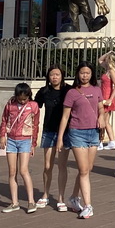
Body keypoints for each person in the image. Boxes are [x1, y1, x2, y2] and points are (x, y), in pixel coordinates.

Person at [56, 61, 102, 219]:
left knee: (87, 169)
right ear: (77, 74)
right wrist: (60, 138)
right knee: (83, 170)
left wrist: (102, 117)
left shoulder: (97, 89)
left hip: (94, 132)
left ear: (92, 74)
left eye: (88, 73)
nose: (85, 76)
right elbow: (65, 116)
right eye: (82, 73)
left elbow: (101, 107)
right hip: (77, 133)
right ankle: (88, 205)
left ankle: (74, 198)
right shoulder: (72, 93)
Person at [0, 82, 41, 214]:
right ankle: (14, 202)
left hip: (25, 140)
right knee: (12, 171)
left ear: (29, 96)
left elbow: (35, 125)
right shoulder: (10, 105)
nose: (22, 101)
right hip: (11, 139)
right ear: (16, 96)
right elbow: (4, 120)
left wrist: (33, 144)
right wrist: (2, 136)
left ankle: (31, 201)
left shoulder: (33, 106)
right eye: (20, 98)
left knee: (23, 170)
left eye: (25, 98)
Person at [34, 66, 72, 211]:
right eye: (52, 75)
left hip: (65, 132)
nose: (55, 77)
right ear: (48, 77)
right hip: (49, 131)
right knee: (47, 166)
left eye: (57, 74)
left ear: (62, 76)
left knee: (62, 165)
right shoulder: (44, 91)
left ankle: (61, 197)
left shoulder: (68, 91)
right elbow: (34, 106)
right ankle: (45, 194)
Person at [97, 51, 115, 150]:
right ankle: (111, 141)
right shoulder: (107, 69)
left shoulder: (111, 71)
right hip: (104, 96)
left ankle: (100, 142)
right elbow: (99, 60)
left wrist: (110, 98)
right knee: (105, 121)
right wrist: (108, 52)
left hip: (107, 97)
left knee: (103, 120)